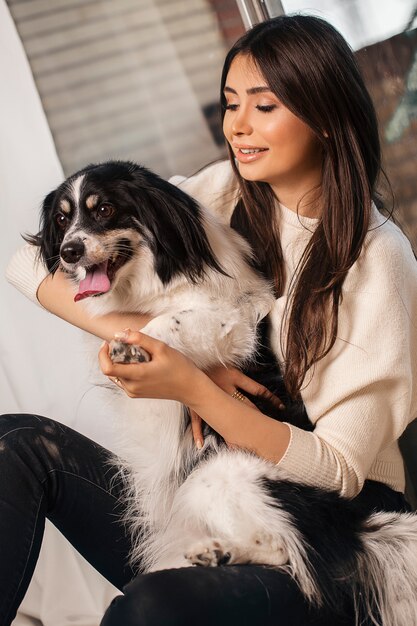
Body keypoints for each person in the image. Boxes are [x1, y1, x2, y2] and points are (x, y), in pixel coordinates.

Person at [3, 13, 417, 626]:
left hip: (319, 536)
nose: (238, 126)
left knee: (149, 610)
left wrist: (195, 386)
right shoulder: (225, 191)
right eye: (230, 104)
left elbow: (339, 468)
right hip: (190, 507)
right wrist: (147, 344)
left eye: (264, 105)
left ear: (326, 116)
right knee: (16, 445)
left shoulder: (376, 258)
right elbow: (26, 261)